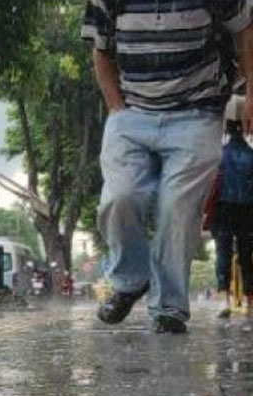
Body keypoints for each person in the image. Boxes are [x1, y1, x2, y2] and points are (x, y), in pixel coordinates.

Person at [84, 0, 253, 334]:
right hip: (132, 113)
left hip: (198, 112)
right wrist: (117, 110)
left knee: (178, 207)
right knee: (120, 198)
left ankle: (169, 307)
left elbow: (245, 31)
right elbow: (101, 53)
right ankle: (131, 280)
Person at [213, 110, 253, 319]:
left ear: (227, 130)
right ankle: (249, 301)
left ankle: (224, 300)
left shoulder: (219, 154)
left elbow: (212, 185)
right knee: (247, 255)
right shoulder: (251, 156)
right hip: (248, 210)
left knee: (223, 254)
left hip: (223, 209)